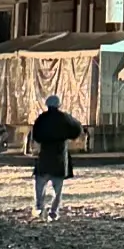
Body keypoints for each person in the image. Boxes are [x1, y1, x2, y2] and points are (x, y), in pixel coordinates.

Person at [31, 94, 82, 222]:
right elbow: (77, 129)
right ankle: (53, 212)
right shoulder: (65, 118)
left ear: (47, 105)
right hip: (60, 156)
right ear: (59, 105)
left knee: (40, 184)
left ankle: (39, 208)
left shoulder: (41, 119)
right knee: (57, 189)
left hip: (45, 156)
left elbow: (36, 135)